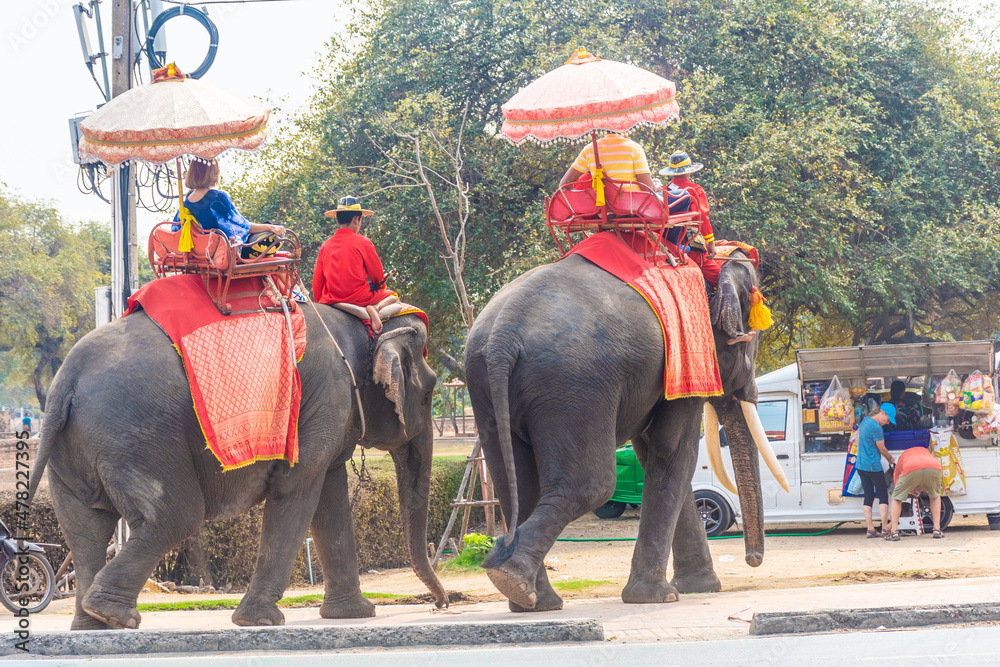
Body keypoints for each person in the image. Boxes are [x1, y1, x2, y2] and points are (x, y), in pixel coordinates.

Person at [312, 196, 398, 334]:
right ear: (356, 219)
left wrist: (319, 303)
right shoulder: (363, 242)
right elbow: (377, 277)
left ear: (338, 220)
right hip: (359, 298)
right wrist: (379, 287)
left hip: (331, 299)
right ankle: (375, 309)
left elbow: (317, 282)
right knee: (392, 295)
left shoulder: (325, 246)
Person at [172, 160, 285, 249]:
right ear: (215, 172)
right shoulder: (218, 197)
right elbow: (243, 227)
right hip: (224, 252)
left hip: (200, 253)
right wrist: (270, 227)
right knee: (275, 233)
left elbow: (175, 230)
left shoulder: (185, 204)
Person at [659, 152, 719, 284]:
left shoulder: (664, 190)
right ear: (689, 171)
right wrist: (710, 242)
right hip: (688, 243)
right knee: (719, 278)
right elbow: (702, 216)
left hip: (664, 241)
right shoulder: (695, 189)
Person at [559, 133, 659, 194]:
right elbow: (647, 188)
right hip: (635, 207)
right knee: (668, 199)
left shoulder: (589, 149)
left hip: (600, 208)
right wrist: (657, 188)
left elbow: (564, 184)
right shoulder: (635, 148)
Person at [884, 445, 945, 541]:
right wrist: (920, 488)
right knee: (935, 496)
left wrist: (911, 490)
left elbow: (898, 494)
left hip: (911, 466)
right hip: (934, 466)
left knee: (896, 499)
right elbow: (923, 473)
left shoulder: (900, 463)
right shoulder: (924, 452)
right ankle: (937, 529)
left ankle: (894, 531)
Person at [855, 403, 897, 537]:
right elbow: (882, 449)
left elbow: (856, 441)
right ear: (882, 413)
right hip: (873, 466)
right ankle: (884, 528)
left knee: (868, 496)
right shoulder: (877, 428)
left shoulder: (865, 421)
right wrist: (890, 459)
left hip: (861, 465)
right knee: (883, 495)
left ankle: (870, 529)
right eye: (888, 419)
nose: (887, 423)